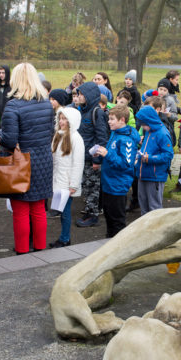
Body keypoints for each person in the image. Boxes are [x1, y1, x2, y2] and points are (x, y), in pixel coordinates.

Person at [0, 62, 54, 254]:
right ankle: (40, 248)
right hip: (43, 160)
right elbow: (50, 132)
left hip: (21, 162)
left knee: (21, 210)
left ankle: (22, 251)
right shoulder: (46, 104)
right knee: (39, 208)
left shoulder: (13, 105)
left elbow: (9, 140)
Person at [95, 105, 139, 237]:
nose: (109, 121)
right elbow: (112, 155)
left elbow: (125, 164)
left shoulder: (127, 140)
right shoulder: (115, 133)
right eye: (109, 118)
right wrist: (102, 155)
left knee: (117, 221)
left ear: (122, 120)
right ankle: (109, 241)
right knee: (109, 217)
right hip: (108, 183)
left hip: (117, 186)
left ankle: (119, 245)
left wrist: (107, 154)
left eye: (112, 119)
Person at [72, 81, 110, 228]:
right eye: (78, 94)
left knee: (93, 187)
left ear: (89, 95)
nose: (79, 97)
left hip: (92, 159)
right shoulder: (81, 111)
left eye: (82, 94)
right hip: (82, 157)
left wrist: (97, 160)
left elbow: (102, 138)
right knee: (86, 187)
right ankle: (88, 211)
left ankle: (93, 215)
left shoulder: (97, 113)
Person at [49, 107, 84, 248]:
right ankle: (64, 237)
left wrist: (73, 185)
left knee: (65, 211)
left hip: (68, 182)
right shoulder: (58, 135)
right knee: (60, 210)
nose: (61, 121)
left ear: (71, 121)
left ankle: (65, 238)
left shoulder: (76, 138)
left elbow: (78, 163)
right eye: (60, 118)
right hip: (58, 180)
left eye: (65, 119)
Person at [134, 105, 174, 215]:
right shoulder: (148, 131)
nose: (142, 127)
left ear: (150, 120)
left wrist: (149, 158)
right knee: (144, 207)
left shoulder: (163, 133)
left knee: (154, 209)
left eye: (143, 123)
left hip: (155, 176)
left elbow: (168, 155)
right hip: (142, 174)